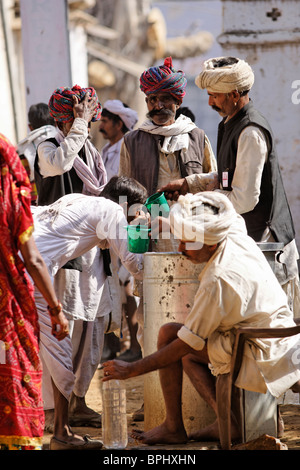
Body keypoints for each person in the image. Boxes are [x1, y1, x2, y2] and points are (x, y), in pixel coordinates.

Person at [102, 191, 300, 446]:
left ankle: (211, 423)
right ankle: (185, 425)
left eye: (187, 242)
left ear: (208, 243)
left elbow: (187, 343)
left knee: (176, 343)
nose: (181, 249)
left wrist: (132, 370)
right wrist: (170, 223)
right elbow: (218, 218)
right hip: (279, 335)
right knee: (170, 334)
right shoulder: (233, 235)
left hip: (260, 351)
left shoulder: (217, 279)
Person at [160, 56, 299, 315]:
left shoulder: (250, 132)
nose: (210, 102)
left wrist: (203, 209)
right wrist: (190, 184)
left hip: (268, 248)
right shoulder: (229, 123)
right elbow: (228, 177)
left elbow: (245, 199)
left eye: (215, 96)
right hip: (250, 247)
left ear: (235, 94)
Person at [31, 175, 147, 449]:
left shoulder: (81, 200)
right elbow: (135, 264)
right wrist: (141, 228)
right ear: (126, 204)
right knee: (60, 350)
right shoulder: (113, 211)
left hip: (17, 262)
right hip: (33, 271)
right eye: (135, 210)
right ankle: (61, 433)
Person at [34, 85, 108, 429]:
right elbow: (57, 165)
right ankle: (52, 412)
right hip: (58, 253)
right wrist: (78, 127)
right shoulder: (47, 146)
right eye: (79, 116)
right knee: (59, 332)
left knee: (89, 331)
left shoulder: (88, 149)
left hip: (90, 252)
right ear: (64, 118)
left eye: (88, 116)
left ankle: (76, 401)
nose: (87, 121)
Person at [0, 133, 68, 450]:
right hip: (9, 311)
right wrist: (55, 309)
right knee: (14, 375)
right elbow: (34, 259)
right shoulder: (12, 199)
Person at [99, 100, 141, 363]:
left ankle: (135, 346)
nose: (101, 125)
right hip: (107, 223)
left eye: (106, 120)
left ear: (118, 123)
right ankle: (115, 343)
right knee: (114, 284)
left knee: (129, 286)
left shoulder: (127, 146)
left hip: (123, 223)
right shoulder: (107, 149)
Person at [17, 102, 57, 205]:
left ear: (30, 127)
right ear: (55, 123)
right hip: (64, 201)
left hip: (35, 206)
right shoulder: (64, 141)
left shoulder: (22, 149)